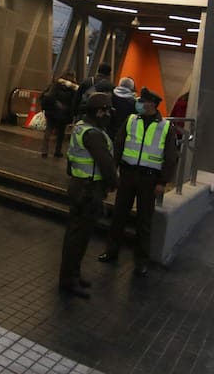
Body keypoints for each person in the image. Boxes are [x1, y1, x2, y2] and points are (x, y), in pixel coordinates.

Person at [98, 87, 177, 276]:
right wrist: (114, 170)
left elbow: (171, 156)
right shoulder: (132, 120)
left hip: (149, 179)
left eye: (142, 101)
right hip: (128, 174)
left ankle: (141, 260)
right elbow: (119, 145)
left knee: (144, 220)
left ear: (151, 104)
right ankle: (111, 251)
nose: (139, 103)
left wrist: (162, 182)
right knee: (119, 215)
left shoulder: (165, 127)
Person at [59, 92, 118, 299]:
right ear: (99, 111)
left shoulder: (82, 127)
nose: (109, 114)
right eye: (107, 110)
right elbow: (106, 164)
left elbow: (71, 159)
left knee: (77, 235)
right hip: (88, 190)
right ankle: (68, 280)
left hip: (80, 186)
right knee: (78, 237)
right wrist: (113, 183)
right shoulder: (93, 134)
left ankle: (73, 275)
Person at [40, 71, 78, 158]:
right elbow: (74, 102)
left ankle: (44, 151)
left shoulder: (56, 84)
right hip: (64, 114)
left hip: (52, 111)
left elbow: (48, 96)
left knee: (48, 130)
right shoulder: (73, 89)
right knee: (61, 133)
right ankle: (57, 151)